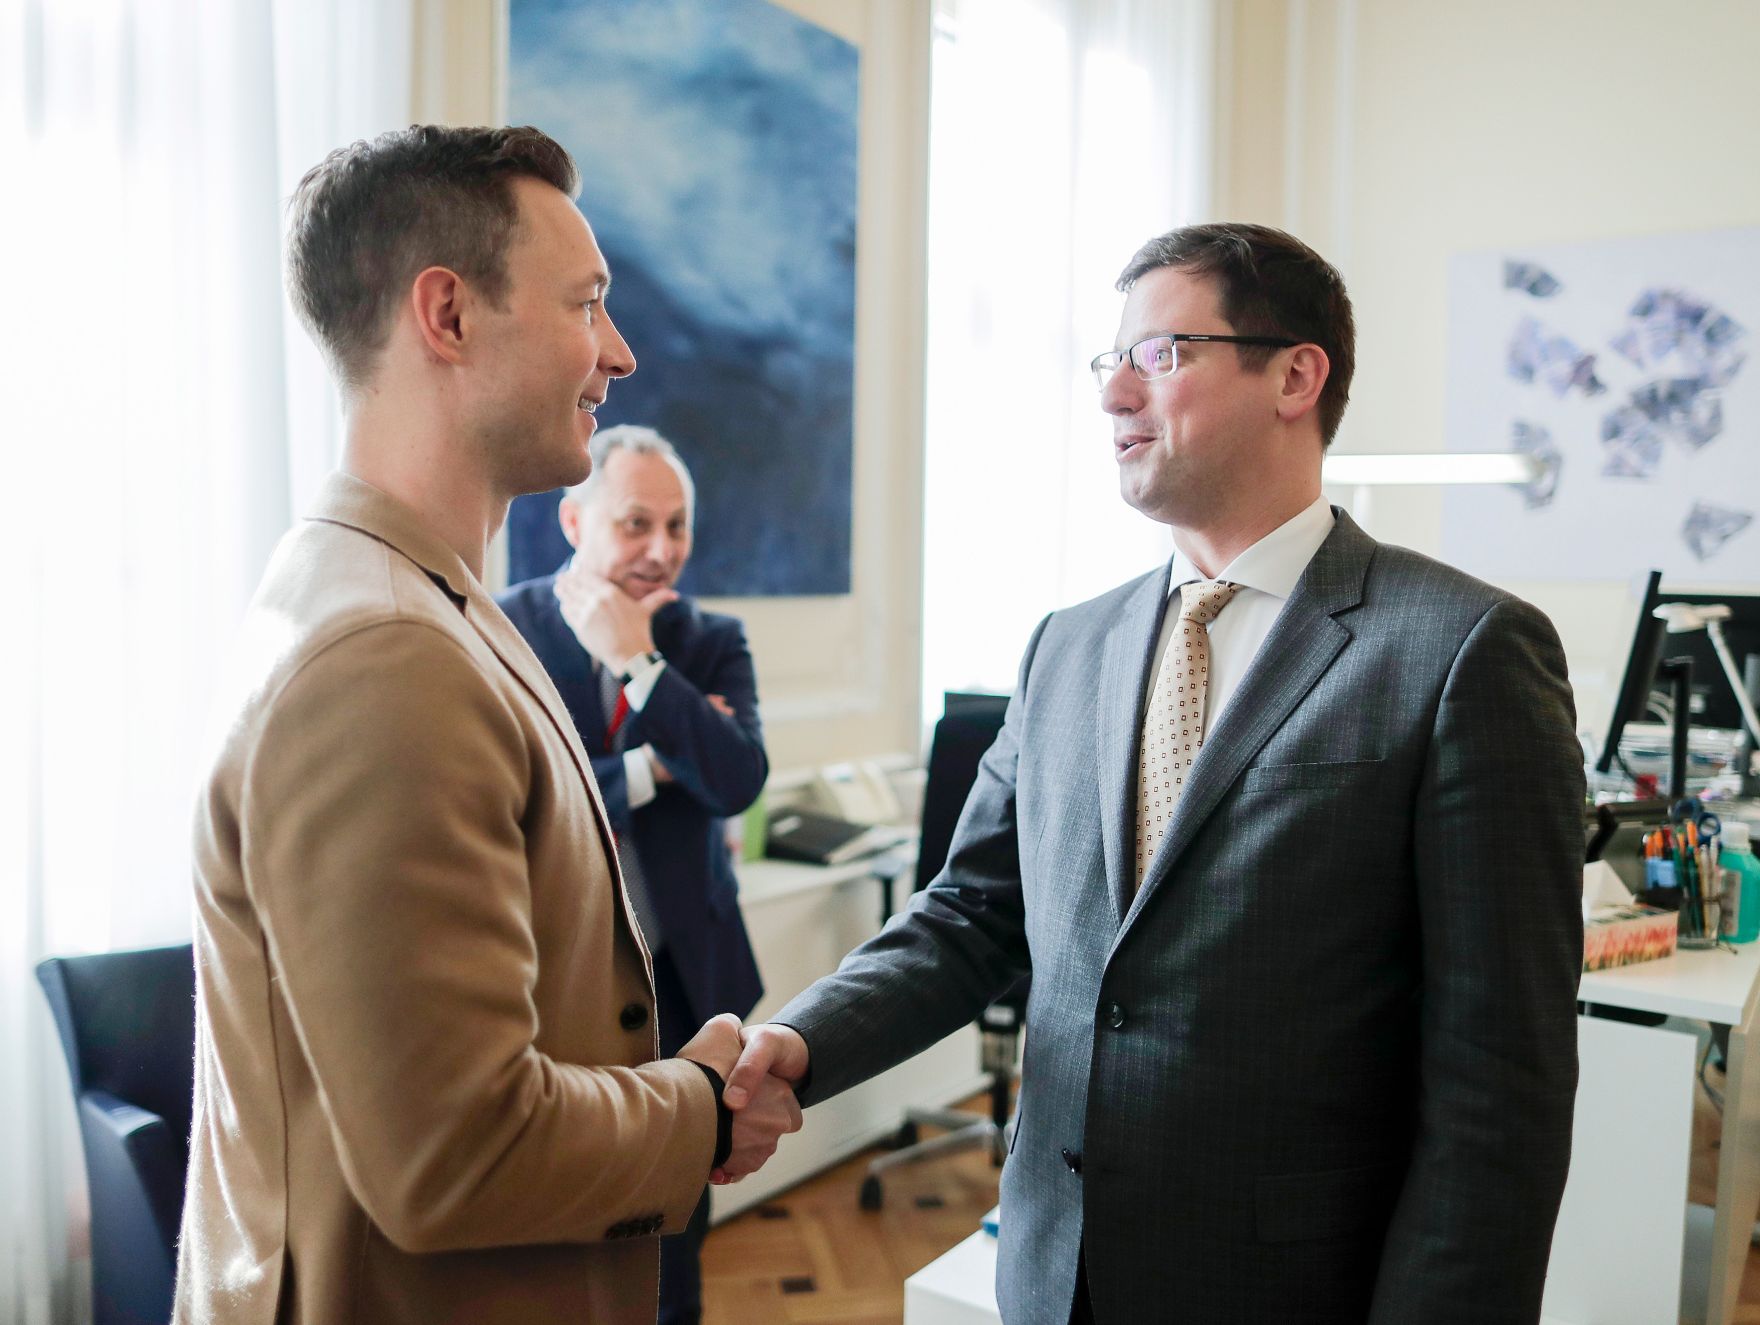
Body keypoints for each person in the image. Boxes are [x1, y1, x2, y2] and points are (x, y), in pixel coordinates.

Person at [726, 223, 1585, 1324]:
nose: (1114, 394)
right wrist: (798, 1043)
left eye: (1162, 353)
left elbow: (1496, 1080)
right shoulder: (1065, 644)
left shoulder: (1461, 649)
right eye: (1109, 361)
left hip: (1288, 1283)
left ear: (1293, 373)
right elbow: (970, 914)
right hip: (1053, 1269)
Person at [175, 125, 800, 1325]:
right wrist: (702, 1102)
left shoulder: (410, 598)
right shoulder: (386, 653)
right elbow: (454, 1153)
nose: (616, 353)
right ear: (448, 316)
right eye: (587, 305)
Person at [497, 424, 766, 1325]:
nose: (662, 550)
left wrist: (641, 667)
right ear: (576, 519)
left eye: (678, 525)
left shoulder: (708, 640)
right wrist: (656, 767)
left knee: (674, 1233)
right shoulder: (505, 629)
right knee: (563, 1240)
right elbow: (523, 801)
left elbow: (737, 778)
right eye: (636, 523)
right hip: (557, 986)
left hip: (690, 982)